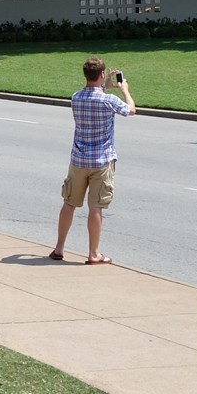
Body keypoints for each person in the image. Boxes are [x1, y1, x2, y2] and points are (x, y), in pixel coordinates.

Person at [53, 56, 134, 265]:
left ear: (85, 75)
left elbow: (92, 95)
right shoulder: (109, 100)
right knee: (96, 207)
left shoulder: (76, 97)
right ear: (102, 74)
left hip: (79, 159)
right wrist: (124, 89)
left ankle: (59, 248)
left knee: (69, 203)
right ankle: (93, 253)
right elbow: (131, 110)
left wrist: (104, 85)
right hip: (102, 160)